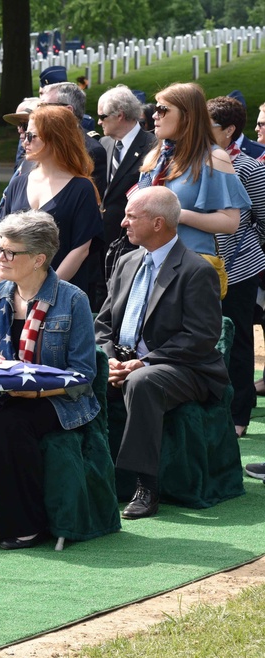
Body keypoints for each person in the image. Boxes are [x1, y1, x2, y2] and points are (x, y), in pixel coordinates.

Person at [0, 210, 99, 549]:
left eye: (10, 252)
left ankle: (26, 525)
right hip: (3, 391)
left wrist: (35, 394)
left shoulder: (73, 300)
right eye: (0, 248)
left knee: (10, 425)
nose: (1, 257)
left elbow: (84, 374)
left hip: (58, 399)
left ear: (39, 258)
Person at [96, 187, 230, 519]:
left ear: (158, 223)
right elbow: (103, 324)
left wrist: (145, 361)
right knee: (85, 372)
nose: (123, 223)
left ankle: (146, 486)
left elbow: (201, 337)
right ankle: (93, 475)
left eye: (131, 216)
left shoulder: (196, 270)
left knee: (143, 382)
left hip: (185, 368)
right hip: (126, 359)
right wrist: (109, 357)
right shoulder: (126, 262)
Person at [136, 82, 249, 298]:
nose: (155, 116)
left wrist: (180, 216)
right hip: (148, 265)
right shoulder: (155, 158)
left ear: (187, 116)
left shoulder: (213, 158)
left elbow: (230, 222)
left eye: (163, 109)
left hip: (190, 271)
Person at [207, 96, 265, 437]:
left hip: (238, 270)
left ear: (229, 130)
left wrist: (241, 246)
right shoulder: (198, 162)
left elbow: (262, 218)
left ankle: (240, 413)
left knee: (238, 339)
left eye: (209, 126)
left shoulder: (249, 167)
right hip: (201, 268)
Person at [0, 105, 103, 295]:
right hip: (15, 295)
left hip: (61, 298)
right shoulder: (18, 183)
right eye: (24, 135)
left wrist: (44, 291)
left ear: (56, 138)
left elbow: (80, 251)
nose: (24, 143)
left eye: (31, 136)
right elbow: (4, 243)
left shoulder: (81, 188)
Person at [97, 85, 158, 285]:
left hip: (130, 241)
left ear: (120, 115)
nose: (99, 122)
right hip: (101, 240)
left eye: (103, 116)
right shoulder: (104, 144)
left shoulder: (153, 146)